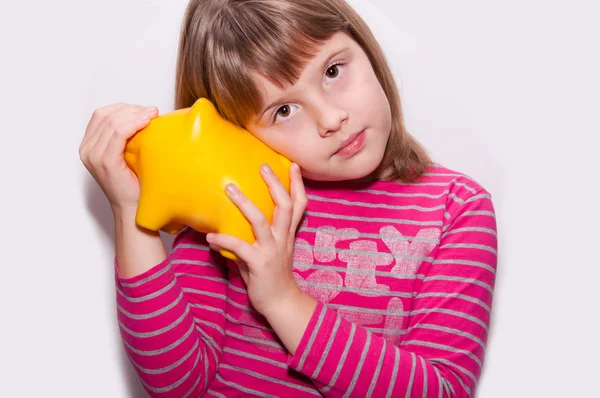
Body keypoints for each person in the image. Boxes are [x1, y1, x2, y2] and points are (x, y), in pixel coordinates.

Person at [79, 0, 497, 396]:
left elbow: (441, 390)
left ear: (364, 46)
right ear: (235, 130)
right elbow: (175, 384)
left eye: (333, 71)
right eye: (283, 111)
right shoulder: (234, 205)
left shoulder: (455, 209)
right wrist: (131, 209)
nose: (332, 120)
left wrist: (282, 300)